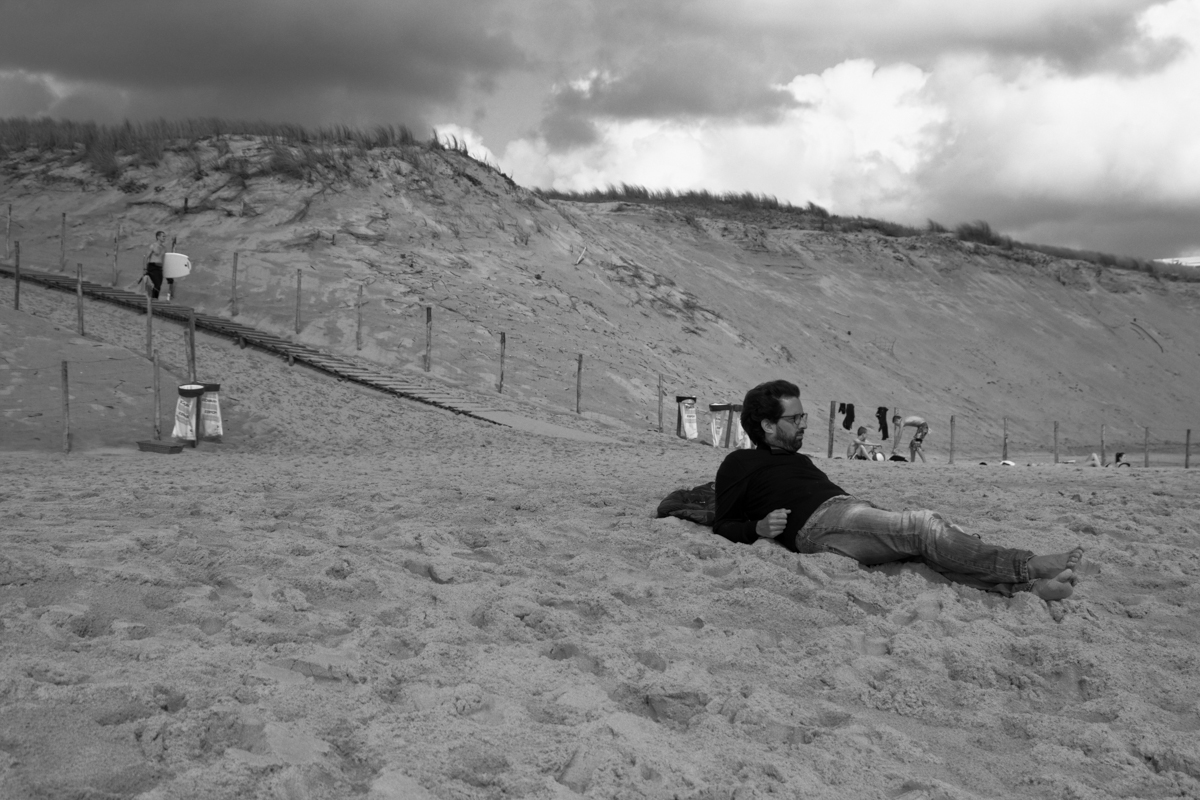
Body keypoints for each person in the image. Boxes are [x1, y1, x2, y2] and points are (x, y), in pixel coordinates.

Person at [713, 380, 1084, 600]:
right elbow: (723, 522)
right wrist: (756, 529)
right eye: (795, 419)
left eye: (803, 417)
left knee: (925, 554)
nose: (804, 424)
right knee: (923, 526)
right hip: (819, 526)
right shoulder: (739, 463)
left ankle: (1028, 590)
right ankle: (1027, 564)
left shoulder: (798, 460)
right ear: (768, 425)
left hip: (846, 512)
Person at [143, 230, 168, 300]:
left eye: (165, 236)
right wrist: (145, 269)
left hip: (159, 268)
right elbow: (146, 257)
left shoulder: (164, 248)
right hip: (152, 267)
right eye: (163, 236)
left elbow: (164, 260)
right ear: (158, 237)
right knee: (157, 284)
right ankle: (153, 300)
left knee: (159, 286)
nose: (164, 238)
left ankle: (154, 299)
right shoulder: (153, 246)